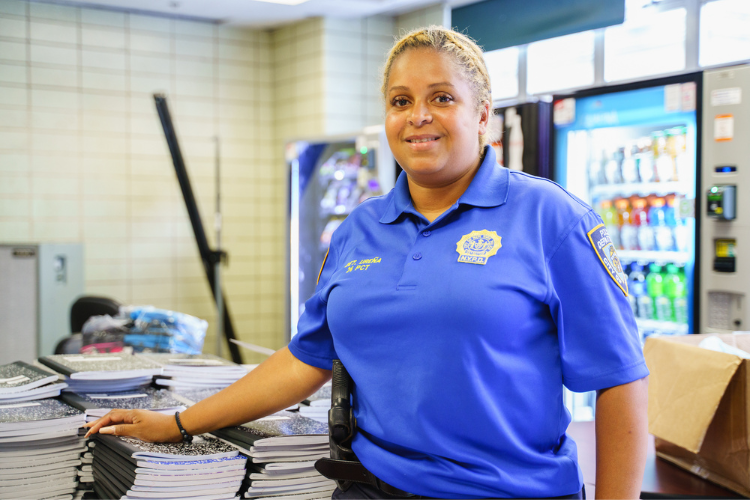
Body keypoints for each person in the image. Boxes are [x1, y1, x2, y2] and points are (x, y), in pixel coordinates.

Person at [85, 26, 649, 499]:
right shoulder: (360, 228)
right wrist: (178, 423)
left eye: (442, 98)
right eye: (401, 101)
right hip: (370, 485)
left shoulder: (552, 219)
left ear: (483, 117)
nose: (418, 116)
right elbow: (306, 359)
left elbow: (619, 381)